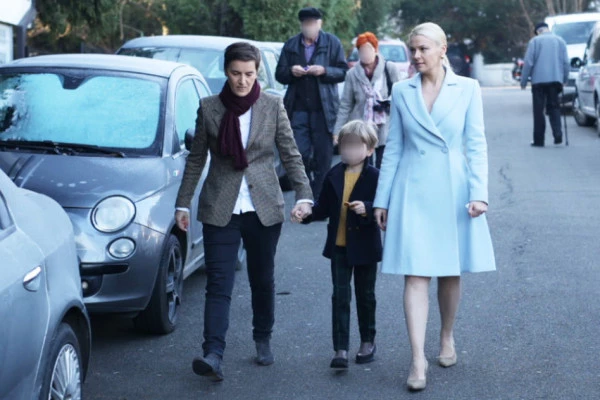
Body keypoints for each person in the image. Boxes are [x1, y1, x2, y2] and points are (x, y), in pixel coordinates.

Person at [175, 42, 313, 382]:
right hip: (220, 206)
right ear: (226, 71)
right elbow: (196, 158)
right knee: (218, 283)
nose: (242, 81)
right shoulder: (209, 107)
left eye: (249, 74)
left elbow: (290, 153)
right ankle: (213, 353)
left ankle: (262, 336)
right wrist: (182, 202)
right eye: (236, 73)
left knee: (261, 278)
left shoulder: (272, 105)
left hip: (263, 206)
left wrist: (304, 195)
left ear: (257, 73)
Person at [372, 22, 496, 391]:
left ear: (443, 50)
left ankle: (446, 336)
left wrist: (480, 193)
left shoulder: (468, 88)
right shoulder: (402, 90)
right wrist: (382, 198)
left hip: (453, 188)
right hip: (411, 190)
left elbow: (476, 144)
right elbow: (393, 148)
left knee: (449, 272)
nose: (416, 55)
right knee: (415, 275)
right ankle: (417, 359)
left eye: (423, 48)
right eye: (412, 49)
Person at [296, 120, 381, 370]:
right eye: (344, 145)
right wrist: (306, 213)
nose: (348, 150)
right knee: (340, 296)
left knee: (366, 296)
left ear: (369, 149)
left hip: (365, 246)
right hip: (339, 246)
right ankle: (340, 347)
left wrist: (368, 208)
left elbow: (385, 206)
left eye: (355, 146)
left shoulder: (376, 177)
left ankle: (367, 341)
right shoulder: (334, 174)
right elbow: (322, 207)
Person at [275, 6, 349, 199]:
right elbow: (279, 74)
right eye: (306, 23)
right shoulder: (291, 45)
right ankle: (305, 195)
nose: (309, 27)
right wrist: (291, 71)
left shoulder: (332, 43)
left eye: (313, 23)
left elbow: (343, 72)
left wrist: (324, 71)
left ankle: (320, 198)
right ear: (301, 25)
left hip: (324, 110)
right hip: (298, 109)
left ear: (319, 24)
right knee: (299, 154)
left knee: (323, 158)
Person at [334, 32, 402, 169]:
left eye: (368, 49)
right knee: (363, 168)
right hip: (361, 127)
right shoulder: (352, 74)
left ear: (375, 50)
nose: (365, 53)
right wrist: (337, 131)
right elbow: (346, 104)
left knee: (383, 165)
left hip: (385, 125)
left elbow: (400, 97)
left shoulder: (389, 68)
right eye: (361, 50)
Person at [520, 22, 569, 147]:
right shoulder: (560, 41)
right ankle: (558, 135)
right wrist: (565, 78)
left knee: (538, 111)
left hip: (538, 81)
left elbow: (528, 62)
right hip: (555, 80)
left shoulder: (534, 42)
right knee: (554, 107)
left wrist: (523, 81)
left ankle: (539, 140)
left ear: (537, 31)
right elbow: (566, 62)